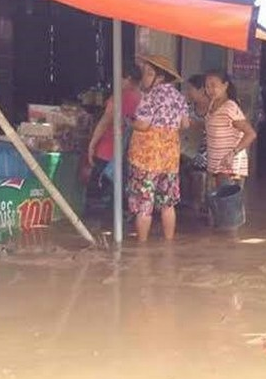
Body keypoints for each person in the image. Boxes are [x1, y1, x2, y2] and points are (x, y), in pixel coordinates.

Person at [127, 54, 190, 242]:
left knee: (144, 205)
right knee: (168, 204)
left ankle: (142, 248)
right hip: (170, 159)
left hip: (146, 158)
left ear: (160, 77)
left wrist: (130, 122)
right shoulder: (179, 97)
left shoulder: (150, 97)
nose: (144, 78)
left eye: (148, 73)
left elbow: (143, 125)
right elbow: (185, 124)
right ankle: (169, 243)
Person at [87, 65, 142, 207]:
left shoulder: (119, 96)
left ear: (128, 78)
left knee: (98, 193)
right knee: (121, 190)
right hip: (130, 151)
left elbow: (106, 121)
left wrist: (92, 144)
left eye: (119, 78)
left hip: (108, 149)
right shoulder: (143, 98)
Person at [204, 70, 257, 189]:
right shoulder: (212, 105)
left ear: (225, 85)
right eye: (207, 86)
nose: (209, 90)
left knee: (228, 200)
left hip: (229, 167)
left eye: (213, 85)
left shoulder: (230, 107)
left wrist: (233, 153)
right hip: (215, 166)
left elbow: (251, 134)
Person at [181, 74, 209, 217]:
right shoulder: (188, 108)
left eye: (190, 89)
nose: (188, 93)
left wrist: (198, 125)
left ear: (202, 90)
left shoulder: (213, 108)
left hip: (207, 151)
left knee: (199, 165)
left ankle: (199, 204)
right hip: (189, 148)